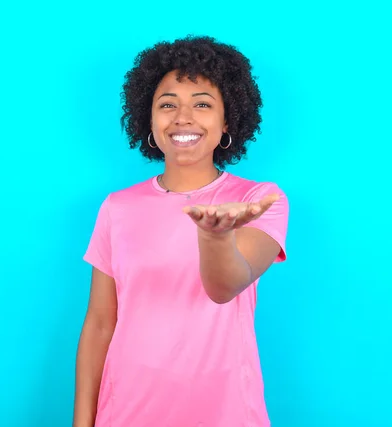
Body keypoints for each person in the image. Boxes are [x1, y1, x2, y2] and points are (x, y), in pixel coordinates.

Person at [73, 35, 289, 427]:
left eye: (202, 104)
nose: (183, 117)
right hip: (126, 413)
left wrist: (215, 235)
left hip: (224, 412)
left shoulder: (258, 199)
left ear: (227, 120)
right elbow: (100, 324)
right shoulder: (117, 208)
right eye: (167, 104)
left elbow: (225, 287)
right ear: (148, 119)